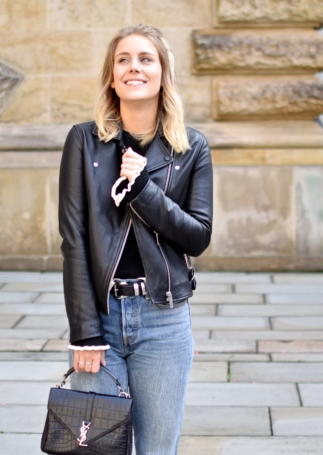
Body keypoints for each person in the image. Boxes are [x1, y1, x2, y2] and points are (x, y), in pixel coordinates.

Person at [58, 24, 213, 455]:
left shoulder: (191, 148)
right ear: (112, 76)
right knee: (96, 449)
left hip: (163, 319)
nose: (134, 67)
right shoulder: (83, 142)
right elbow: (74, 241)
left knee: (157, 449)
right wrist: (85, 333)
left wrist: (143, 189)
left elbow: (198, 236)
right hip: (102, 317)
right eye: (123, 59)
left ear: (163, 74)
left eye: (146, 59)